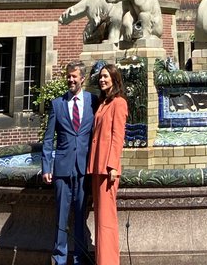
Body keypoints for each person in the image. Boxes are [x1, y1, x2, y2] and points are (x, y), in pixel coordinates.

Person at [42, 61, 95, 265]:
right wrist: (47, 166)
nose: (71, 80)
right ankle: (59, 258)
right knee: (61, 217)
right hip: (62, 169)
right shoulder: (57, 104)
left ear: (83, 78)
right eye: (68, 76)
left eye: (74, 77)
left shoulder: (93, 101)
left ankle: (79, 258)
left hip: (83, 169)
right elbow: (48, 139)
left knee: (81, 217)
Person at [87, 63, 128, 265]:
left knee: (106, 220)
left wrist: (112, 166)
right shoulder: (103, 103)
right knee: (100, 220)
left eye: (106, 77)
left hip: (107, 168)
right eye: (100, 77)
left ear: (114, 79)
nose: (102, 80)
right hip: (96, 166)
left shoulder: (119, 103)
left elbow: (117, 136)